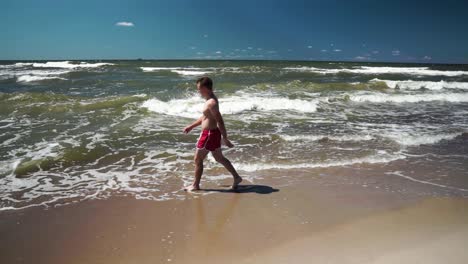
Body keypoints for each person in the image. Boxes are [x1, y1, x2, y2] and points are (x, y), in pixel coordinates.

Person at [183, 77, 242, 191]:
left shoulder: (211, 103)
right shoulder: (209, 100)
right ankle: (236, 177)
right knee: (219, 158)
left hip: (209, 134)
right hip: (212, 133)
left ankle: (195, 185)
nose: (198, 91)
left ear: (205, 88)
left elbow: (220, 120)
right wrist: (191, 126)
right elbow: (205, 117)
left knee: (198, 159)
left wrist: (225, 138)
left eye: (199, 88)